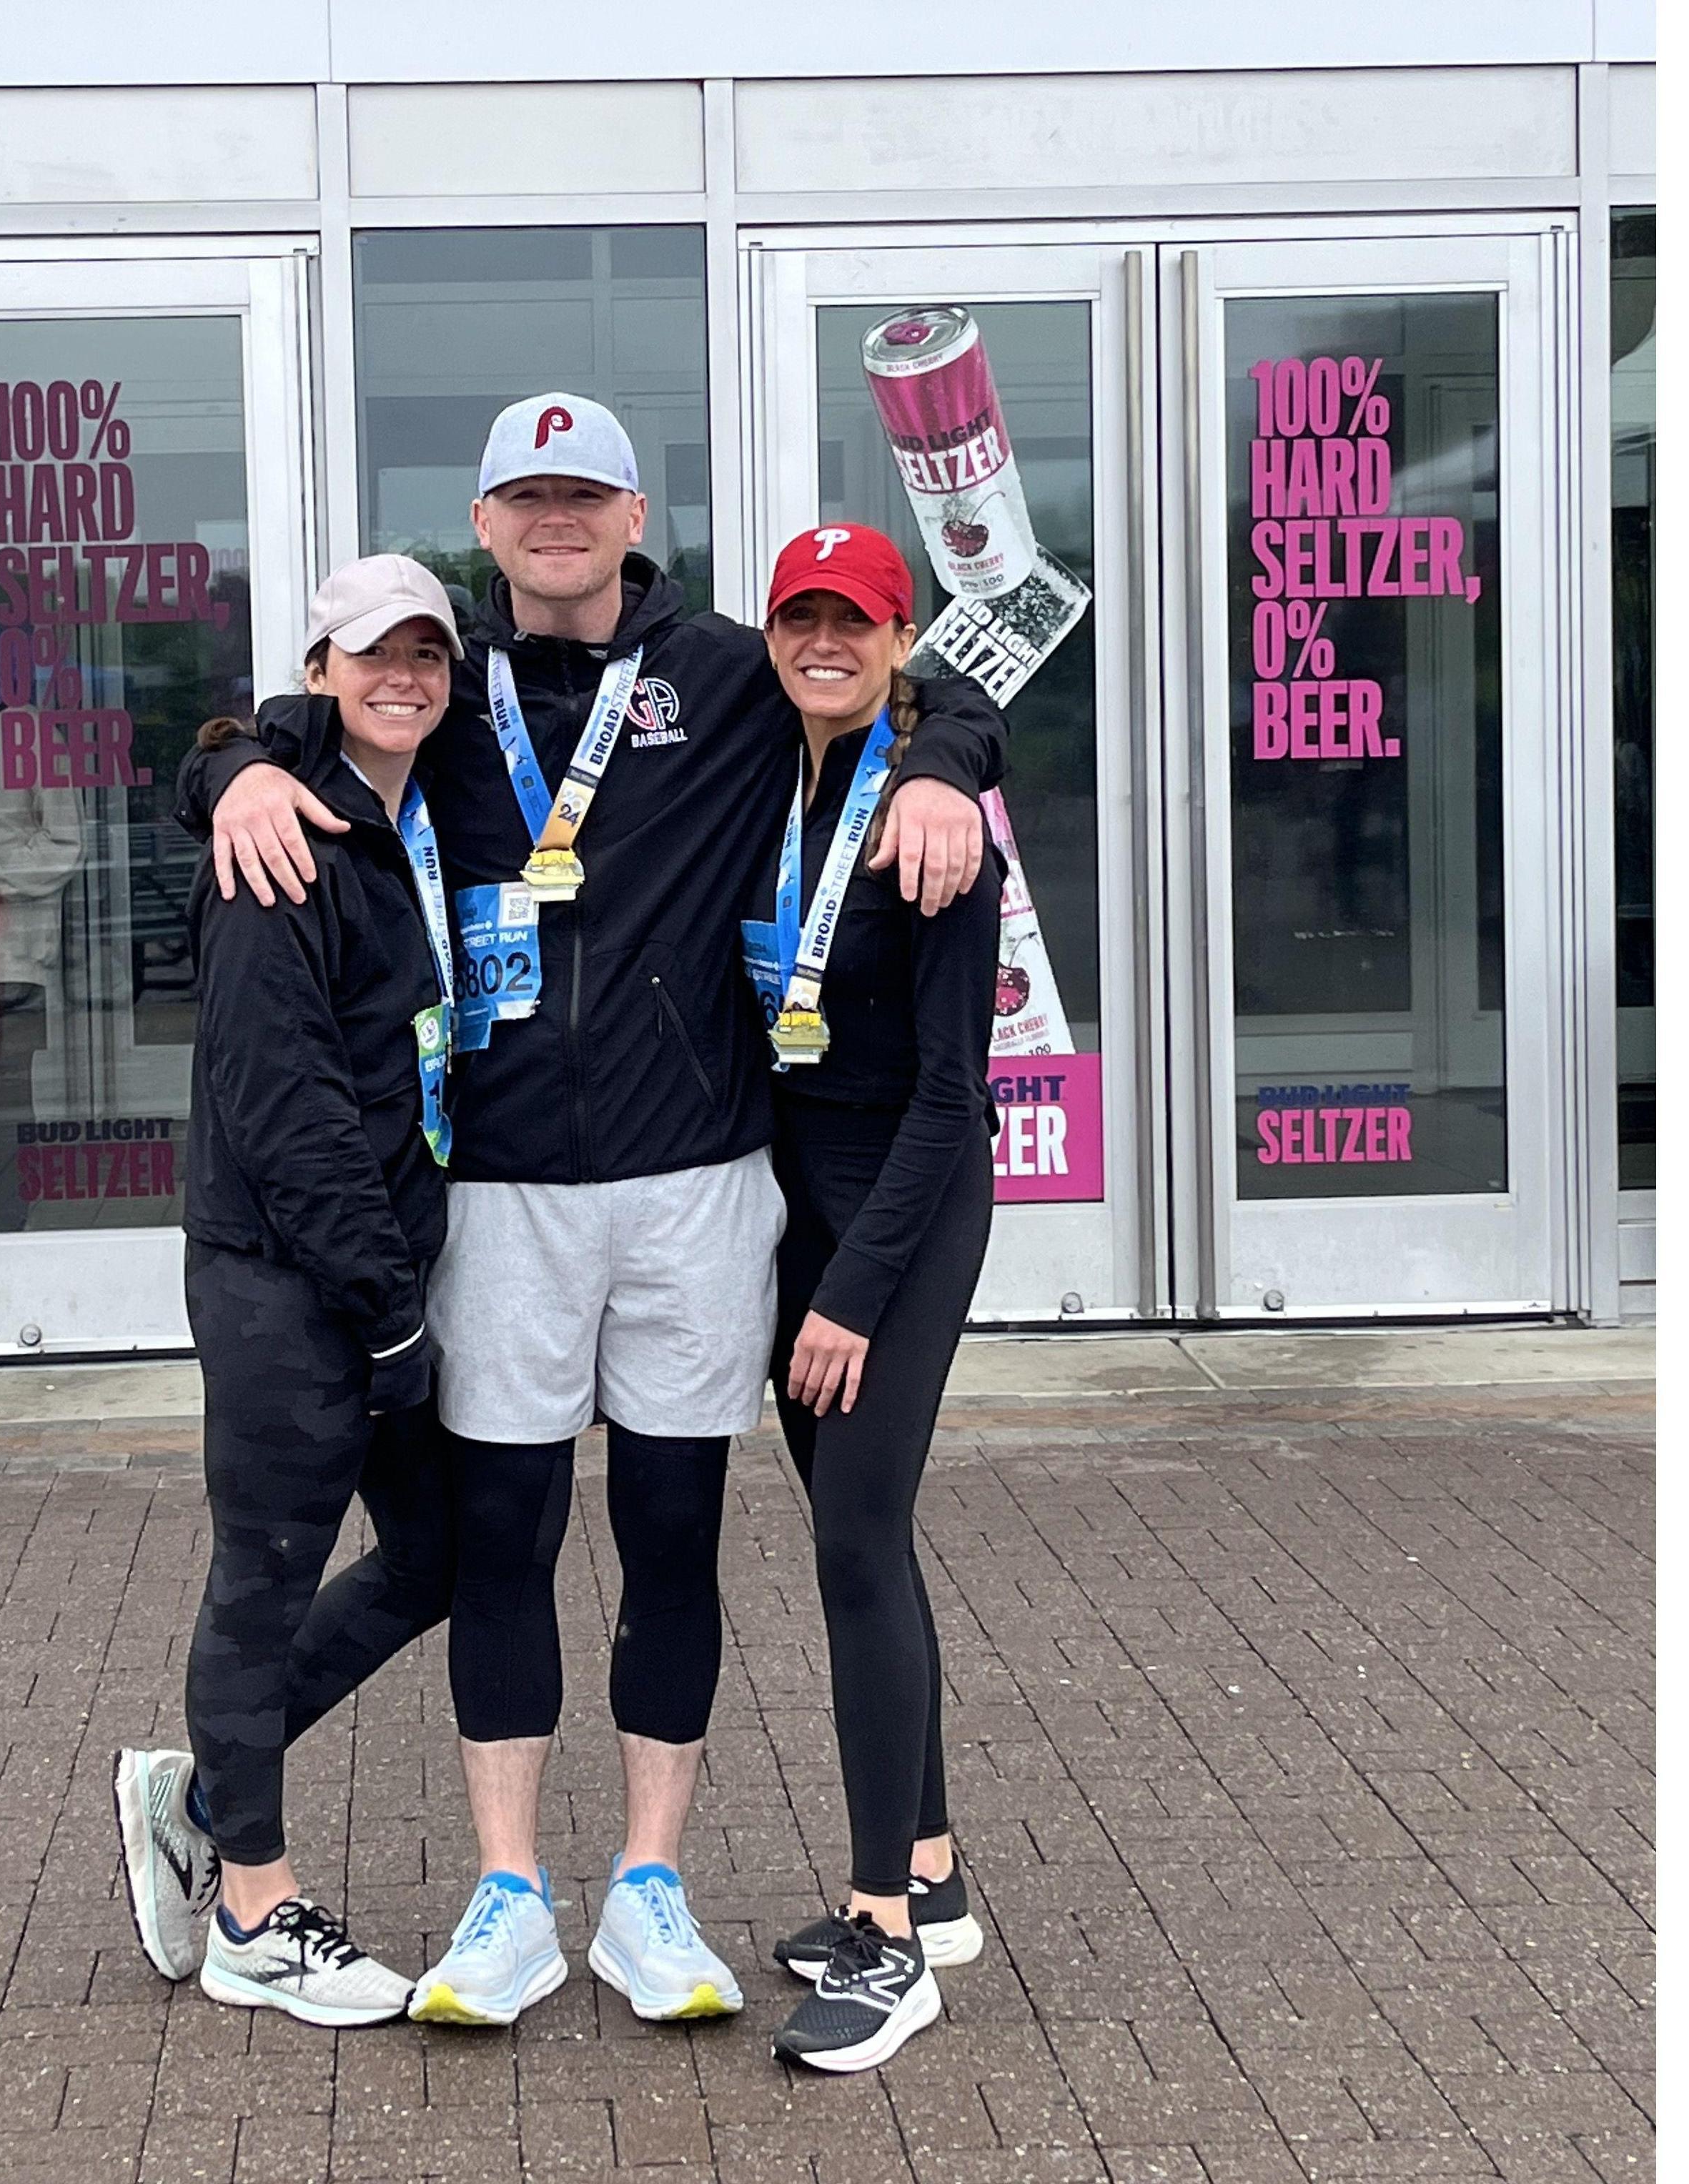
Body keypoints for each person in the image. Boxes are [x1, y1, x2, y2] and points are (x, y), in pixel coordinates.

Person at [192, 395, 1007, 2029]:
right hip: (501, 1196)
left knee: (671, 1534)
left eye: (585, 493)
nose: (555, 518)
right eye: (525, 494)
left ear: (637, 515)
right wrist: (226, 772)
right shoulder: (438, 681)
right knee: (503, 1538)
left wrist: (942, 765)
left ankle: (650, 1885)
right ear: (482, 523)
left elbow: (926, 689)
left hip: (697, 1185)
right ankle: (507, 1892)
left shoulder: (727, 670)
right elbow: (292, 723)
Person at [112, 555, 465, 2027]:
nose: (404, 678)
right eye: (373, 654)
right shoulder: (280, 840)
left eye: (427, 654)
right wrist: (385, 1307)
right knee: (261, 1578)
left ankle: (201, 1794)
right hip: (289, 1282)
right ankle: (253, 1909)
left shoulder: (402, 810)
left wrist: (229, 760)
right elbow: (284, 1106)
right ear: (319, 670)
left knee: (441, 1551)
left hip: (375, 1271)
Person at [741, 526, 1004, 2074]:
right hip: (791, 1208)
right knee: (864, 1535)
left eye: (856, 620)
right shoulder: (758, 770)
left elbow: (952, 1096)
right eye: (801, 618)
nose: (824, 642)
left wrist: (847, 1294)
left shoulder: (932, 818)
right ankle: (933, 1868)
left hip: (903, 1209)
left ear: (901, 639)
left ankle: (885, 1939)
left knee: (852, 1537)